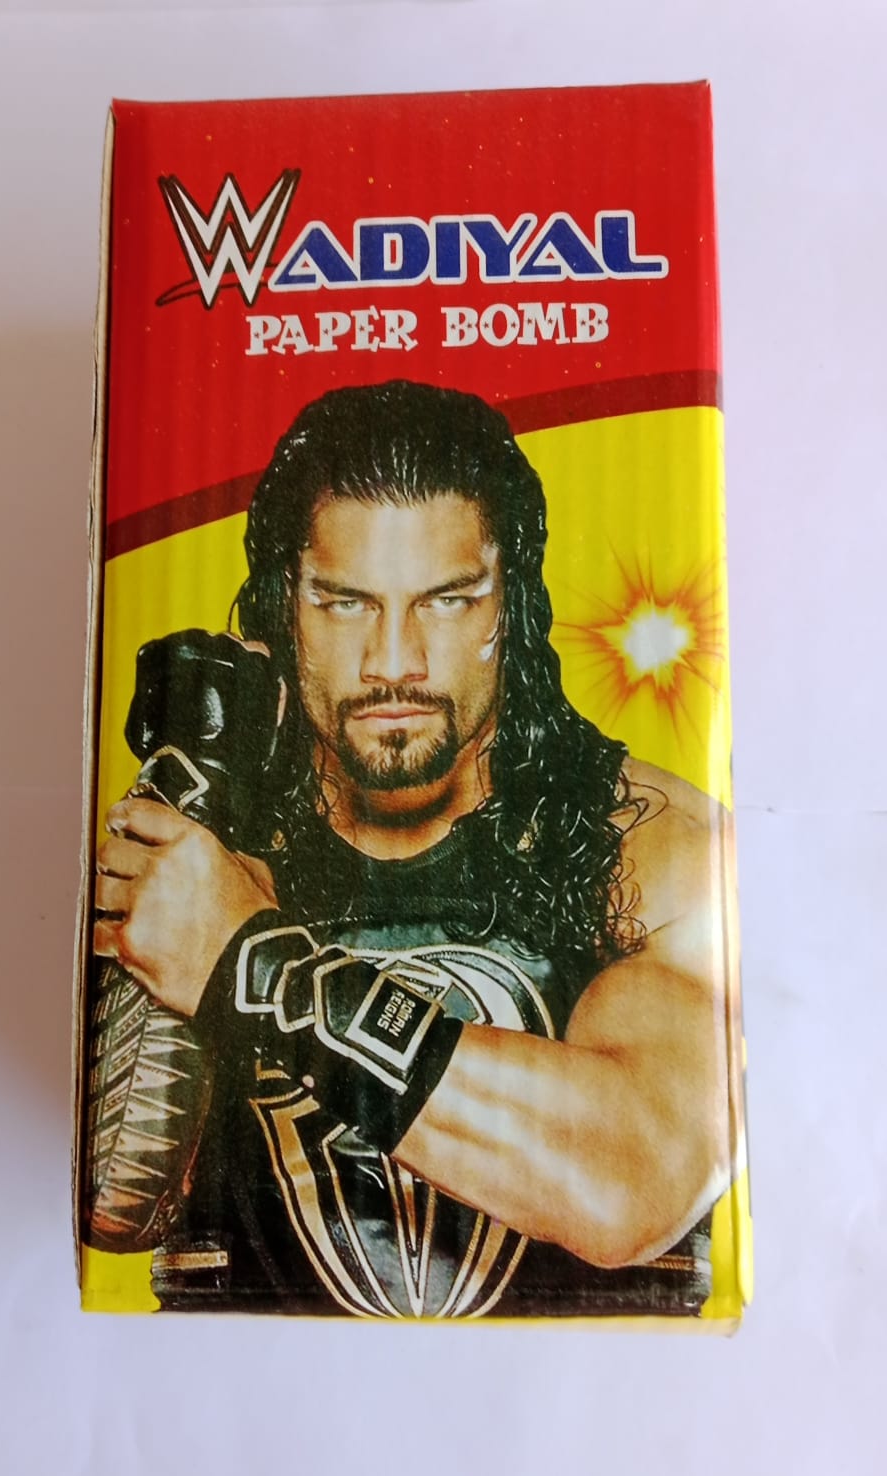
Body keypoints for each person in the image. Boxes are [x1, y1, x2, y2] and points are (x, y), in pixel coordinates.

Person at [88, 380, 739, 1317]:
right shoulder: (210, 847)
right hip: (246, 1391)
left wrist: (250, 965)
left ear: (513, 608)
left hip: (571, 1395)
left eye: (446, 600)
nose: (395, 662)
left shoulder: (647, 844)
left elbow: (630, 1183)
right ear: (283, 608)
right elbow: (110, 1204)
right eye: (346, 603)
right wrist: (182, 794)